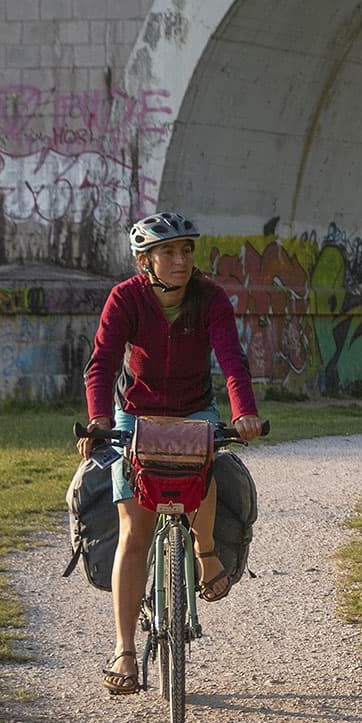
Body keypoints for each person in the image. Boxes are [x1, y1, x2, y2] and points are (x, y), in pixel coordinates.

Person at [79, 212, 261, 694]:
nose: (180, 260)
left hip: (193, 409)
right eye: (168, 252)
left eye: (186, 251)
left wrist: (243, 412)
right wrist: (98, 418)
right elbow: (100, 364)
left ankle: (205, 553)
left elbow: (231, 360)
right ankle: (124, 651)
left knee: (203, 470)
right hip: (134, 414)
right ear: (146, 260)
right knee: (133, 531)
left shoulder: (210, 298)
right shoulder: (126, 298)